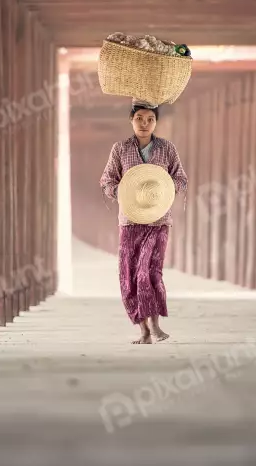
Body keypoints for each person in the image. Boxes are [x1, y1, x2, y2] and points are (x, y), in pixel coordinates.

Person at [99, 102, 188, 344]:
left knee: (150, 272)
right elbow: (107, 180)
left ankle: (156, 325)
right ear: (131, 119)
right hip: (129, 221)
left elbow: (180, 178)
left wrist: (164, 191)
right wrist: (124, 193)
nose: (144, 123)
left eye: (150, 119)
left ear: (156, 122)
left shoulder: (167, 149)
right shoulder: (120, 149)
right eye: (139, 118)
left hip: (158, 220)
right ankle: (143, 330)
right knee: (129, 274)